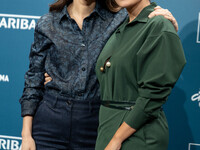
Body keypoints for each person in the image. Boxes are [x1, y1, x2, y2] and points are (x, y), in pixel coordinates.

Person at [19, 0, 179, 149]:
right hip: (51, 118)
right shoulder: (48, 23)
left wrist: (166, 18)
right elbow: (34, 78)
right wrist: (26, 134)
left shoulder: (119, 19)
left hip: (95, 120)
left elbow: (144, 22)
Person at [95, 0, 186, 150]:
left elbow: (152, 96)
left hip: (136, 134)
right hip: (108, 128)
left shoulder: (159, 25)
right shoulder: (122, 24)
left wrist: (117, 139)